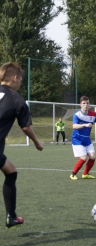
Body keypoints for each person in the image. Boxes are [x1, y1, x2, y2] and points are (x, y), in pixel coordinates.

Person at [0, 62, 44, 229]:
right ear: (15, 78)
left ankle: (11, 216)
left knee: (11, 171)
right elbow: (25, 126)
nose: (20, 84)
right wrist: (37, 142)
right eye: (20, 81)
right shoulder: (16, 99)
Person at [70, 96, 96, 180]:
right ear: (80, 104)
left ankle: (85, 174)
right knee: (84, 158)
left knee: (92, 157)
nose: (86, 105)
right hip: (77, 139)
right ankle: (73, 174)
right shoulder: (77, 115)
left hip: (86, 139)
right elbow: (74, 126)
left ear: (89, 104)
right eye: (84, 103)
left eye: (87, 103)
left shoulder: (93, 114)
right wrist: (84, 125)